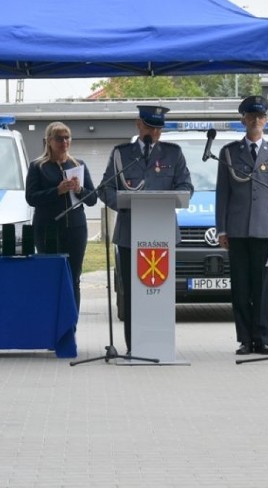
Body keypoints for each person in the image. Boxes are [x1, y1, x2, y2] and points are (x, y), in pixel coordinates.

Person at [98, 105, 193, 353]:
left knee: (159, 289)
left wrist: (171, 197)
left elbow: (186, 187)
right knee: (133, 293)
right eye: (150, 126)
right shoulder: (122, 153)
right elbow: (105, 189)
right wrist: (125, 204)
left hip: (161, 236)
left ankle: (160, 345)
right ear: (138, 125)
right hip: (131, 234)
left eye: (159, 128)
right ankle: (135, 346)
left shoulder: (173, 154)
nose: (155, 132)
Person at [215, 96, 268, 355]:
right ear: (243, 119)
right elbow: (222, 194)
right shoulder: (229, 153)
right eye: (251, 116)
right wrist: (222, 229)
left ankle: (263, 339)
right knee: (241, 286)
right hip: (236, 230)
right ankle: (245, 339)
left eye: (260, 116)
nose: (256, 120)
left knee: (262, 286)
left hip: (265, 228)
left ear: (267, 120)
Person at [25, 121, 97, 311]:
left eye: (67, 138)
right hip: (47, 228)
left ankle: (70, 325)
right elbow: (31, 198)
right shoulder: (38, 167)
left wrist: (79, 189)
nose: (64, 142)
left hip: (75, 228)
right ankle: (50, 325)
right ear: (49, 141)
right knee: (50, 275)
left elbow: (93, 199)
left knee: (73, 276)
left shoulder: (78, 165)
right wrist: (56, 191)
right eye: (59, 138)